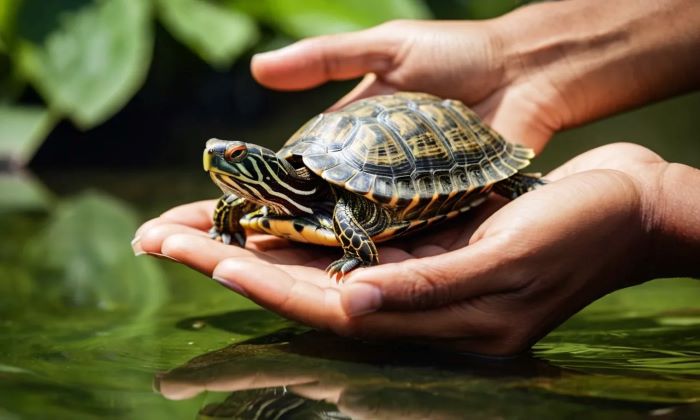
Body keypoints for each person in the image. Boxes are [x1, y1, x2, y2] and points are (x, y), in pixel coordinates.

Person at [133, 0, 700, 355]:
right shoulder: (266, 201)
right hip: (320, 189)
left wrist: (653, 213)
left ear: (258, 163)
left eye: (233, 155)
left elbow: (358, 215)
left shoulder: (342, 209)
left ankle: (517, 182)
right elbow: (235, 205)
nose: (221, 161)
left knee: (492, 187)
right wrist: (229, 218)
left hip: (439, 160)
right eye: (222, 159)